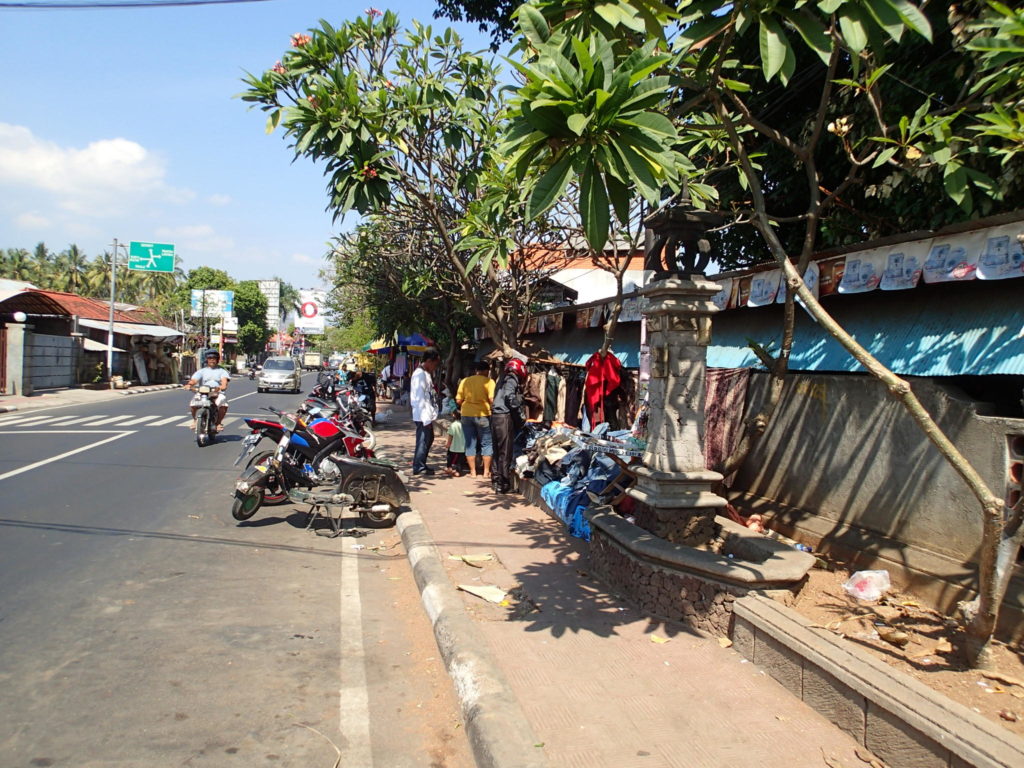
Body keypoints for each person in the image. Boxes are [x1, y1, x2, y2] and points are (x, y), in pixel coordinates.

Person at [490, 357, 527, 494]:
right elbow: (510, 398)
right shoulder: (512, 378)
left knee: (497, 451)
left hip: (495, 417)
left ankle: (496, 481)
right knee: (505, 452)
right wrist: (521, 417)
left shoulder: (501, 378)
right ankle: (503, 484)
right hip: (504, 417)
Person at [456, 359, 495, 479]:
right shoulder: (489, 381)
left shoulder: (465, 381)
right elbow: (492, 399)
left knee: (470, 444)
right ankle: (486, 472)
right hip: (483, 415)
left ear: (476, 371)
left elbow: (458, 400)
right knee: (487, 443)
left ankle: (472, 472)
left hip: (467, 414)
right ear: (486, 371)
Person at [410, 348, 441, 475]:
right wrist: (426, 418)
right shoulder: (420, 375)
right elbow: (419, 398)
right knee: (423, 440)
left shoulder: (426, 374)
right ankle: (418, 466)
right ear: (429, 361)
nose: (435, 367)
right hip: (423, 415)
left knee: (428, 439)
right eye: (434, 364)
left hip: (426, 413)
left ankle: (420, 463)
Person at [185, 349, 230, 431]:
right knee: (193, 404)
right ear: (207, 360)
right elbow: (194, 380)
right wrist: (190, 385)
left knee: (223, 403)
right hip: (202, 392)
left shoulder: (222, 371)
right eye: (210, 358)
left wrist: (221, 387)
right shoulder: (202, 371)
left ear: (217, 360)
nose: (212, 360)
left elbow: (224, 383)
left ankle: (218, 423)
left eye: (214, 358)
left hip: (216, 393)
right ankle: (195, 420)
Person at [444, 411, 468, 477]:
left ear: (454, 415)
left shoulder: (453, 424)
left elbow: (450, 435)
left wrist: (448, 443)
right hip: (463, 446)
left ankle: (449, 468)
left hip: (453, 446)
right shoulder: (465, 424)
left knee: (449, 457)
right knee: (460, 460)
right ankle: (458, 472)